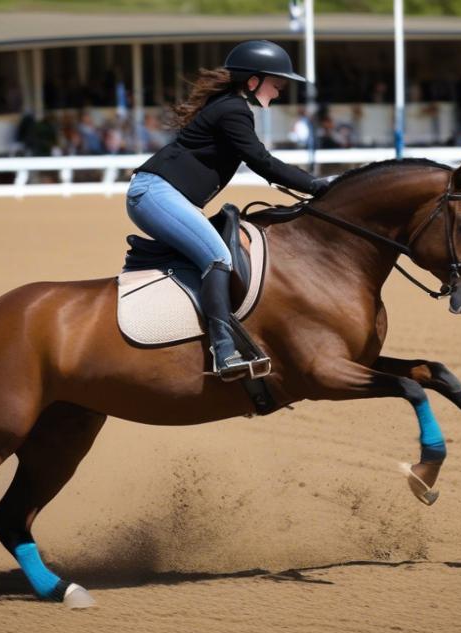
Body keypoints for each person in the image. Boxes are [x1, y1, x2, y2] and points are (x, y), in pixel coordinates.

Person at [126, 40, 329, 381]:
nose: (278, 92)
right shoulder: (234, 110)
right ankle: (223, 350)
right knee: (218, 257)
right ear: (253, 82)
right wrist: (318, 185)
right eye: (276, 85)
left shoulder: (228, 106)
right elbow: (263, 162)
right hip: (155, 194)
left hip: (161, 193)